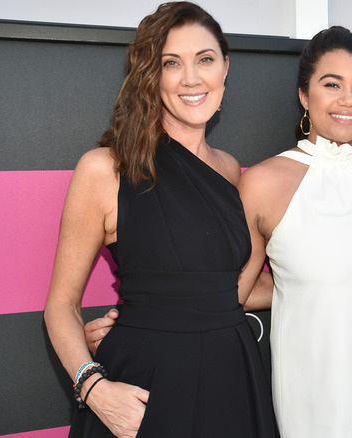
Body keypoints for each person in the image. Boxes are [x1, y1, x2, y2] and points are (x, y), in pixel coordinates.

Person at [44, 3, 276, 437]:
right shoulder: (105, 168)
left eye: (205, 59)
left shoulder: (229, 169)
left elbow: (228, 289)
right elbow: (61, 306)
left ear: (226, 67)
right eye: (172, 63)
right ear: (152, 76)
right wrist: (94, 388)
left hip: (233, 375)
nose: (191, 78)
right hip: (146, 388)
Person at [237, 26, 352, 437]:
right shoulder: (265, 182)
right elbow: (235, 291)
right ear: (304, 95)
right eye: (331, 84)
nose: (348, 100)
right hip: (317, 399)